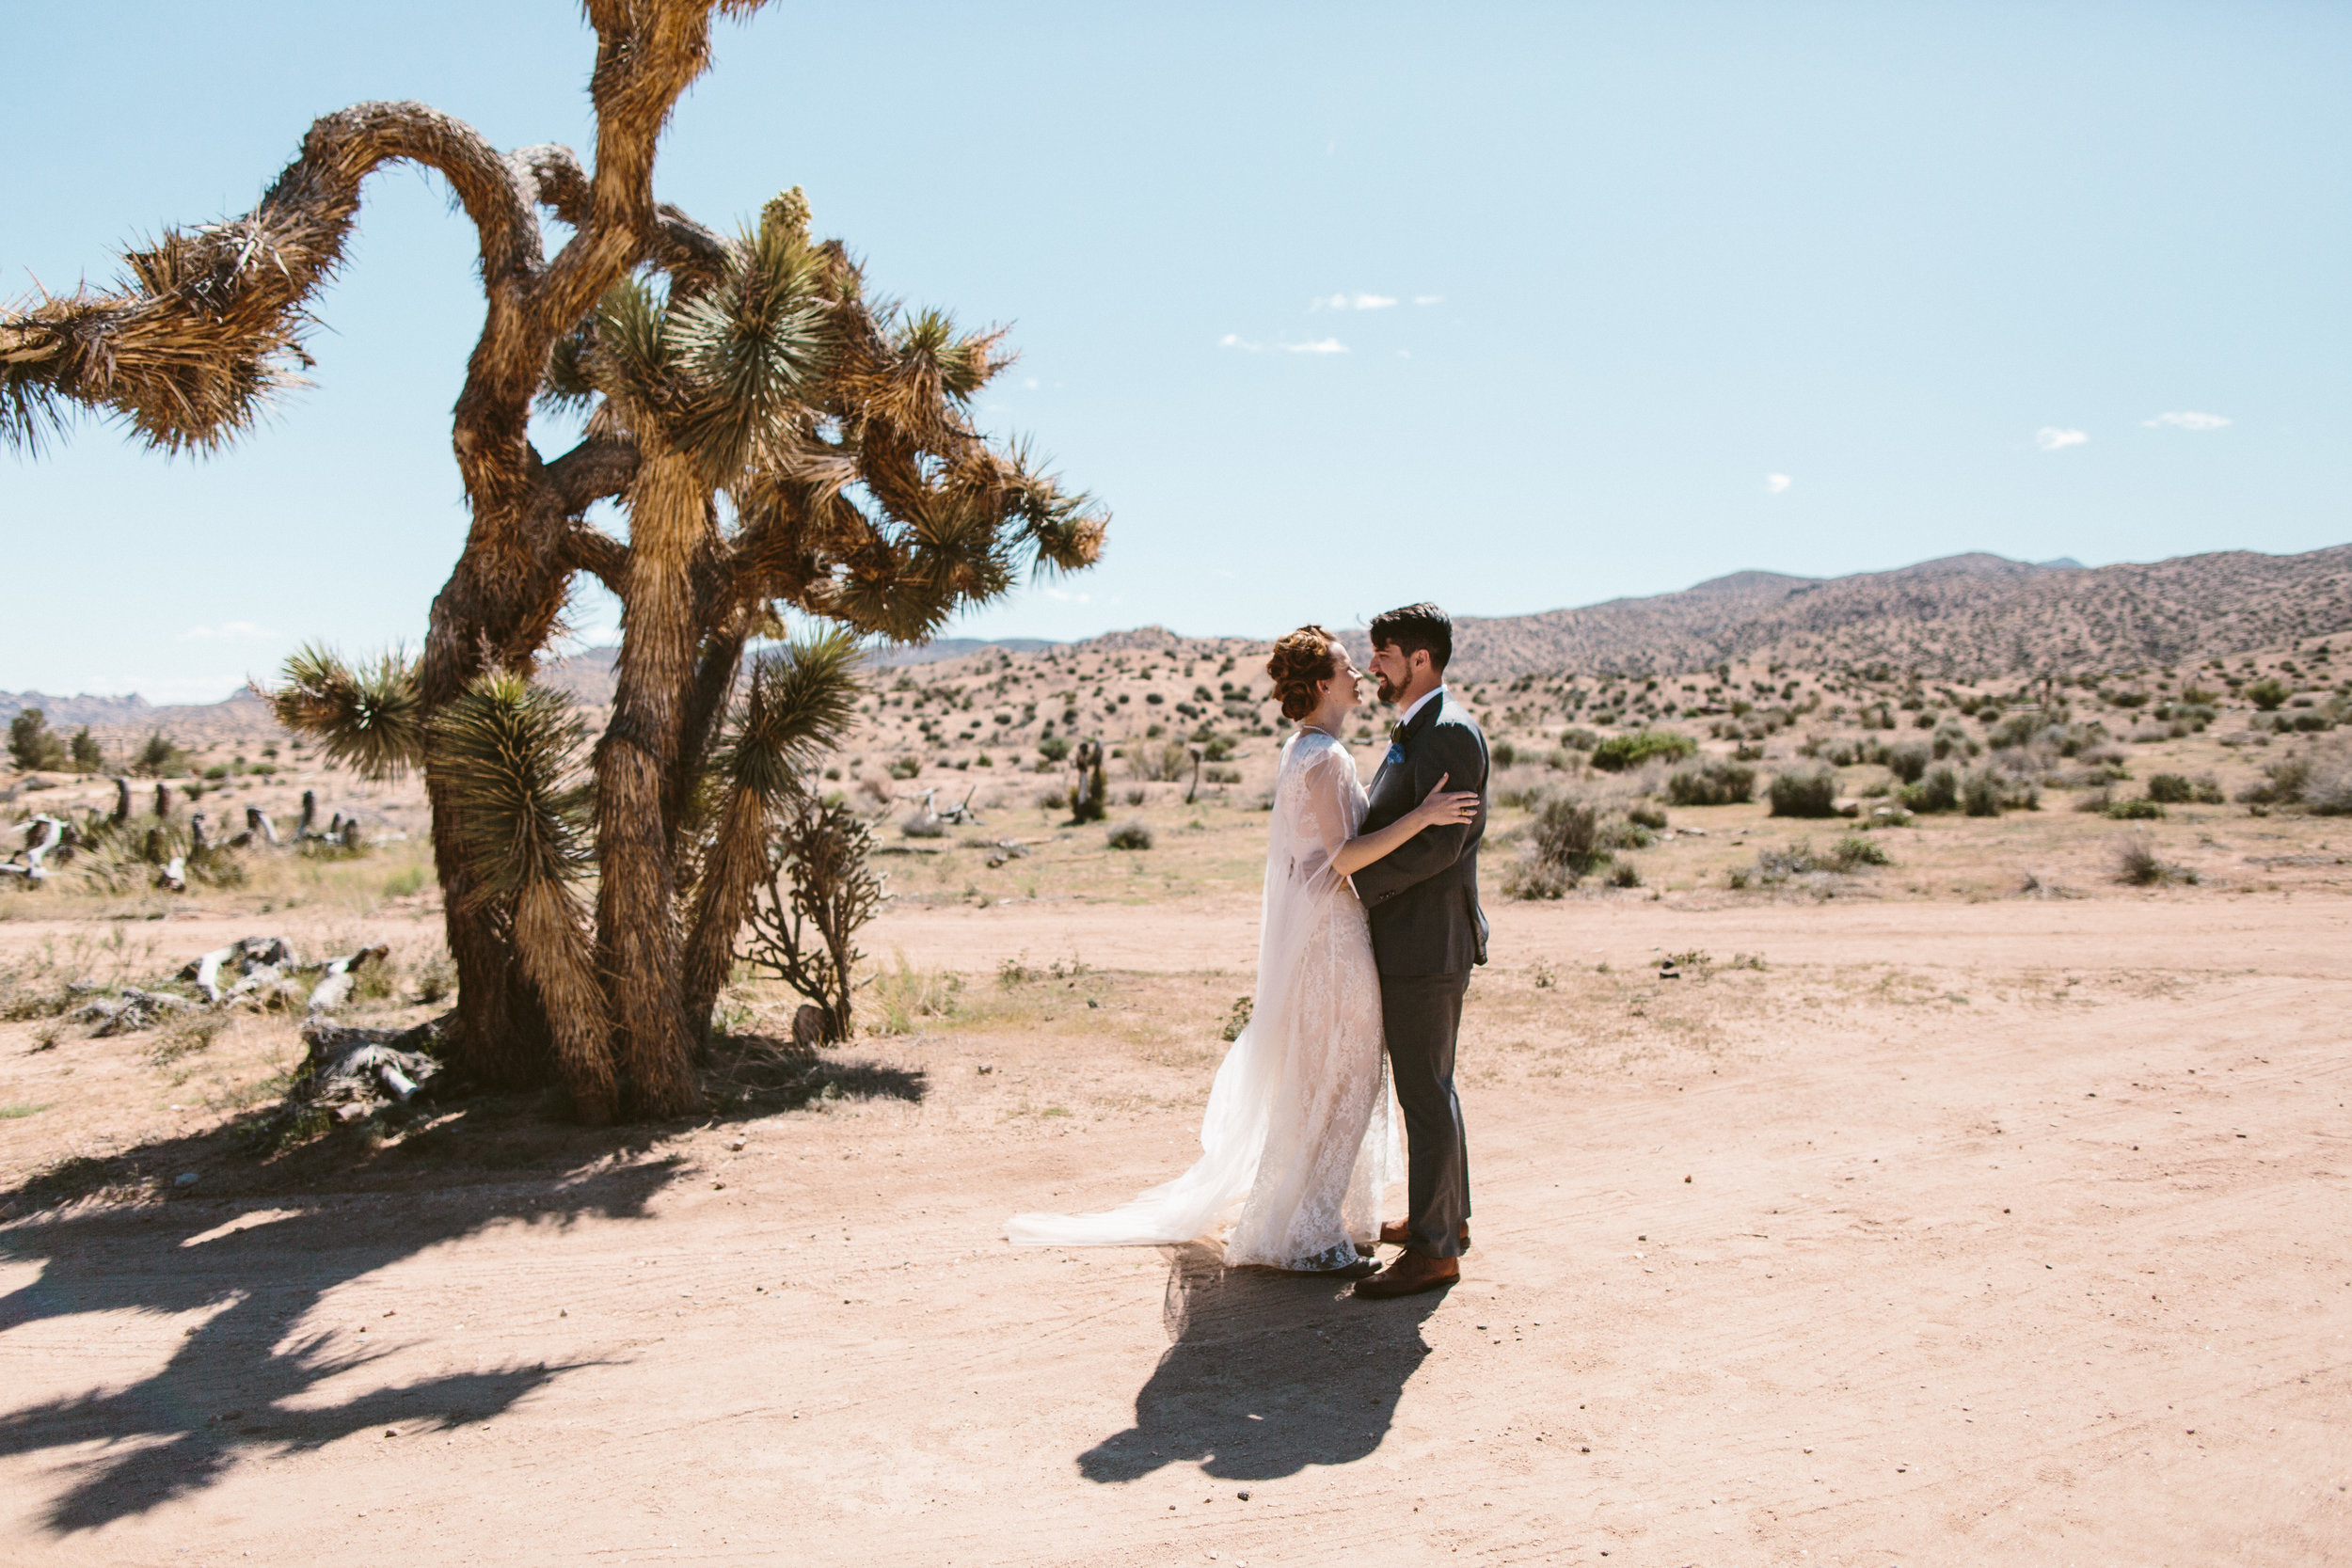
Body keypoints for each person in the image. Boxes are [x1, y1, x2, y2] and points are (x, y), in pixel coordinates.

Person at [1006, 624, 1479, 1272]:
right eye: (1347, 666)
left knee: (1334, 1076)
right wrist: (1422, 816)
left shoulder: (1306, 749)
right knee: (1341, 1077)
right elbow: (1342, 857)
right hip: (1333, 942)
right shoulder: (1326, 757)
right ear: (1322, 684)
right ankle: (1311, 1233)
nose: (1360, 673)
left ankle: (1320, 1217)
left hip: (1328, 933)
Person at [1348, 602, 1488, 1300]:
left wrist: (1356, 877)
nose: (1373, 662)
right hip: (1420, 937)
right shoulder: (1423, 727)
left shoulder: (1449, 733)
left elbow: (1442, 842)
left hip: (1426, 939)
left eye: (1384, 651)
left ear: (1421, 660)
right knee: (1433, 1083)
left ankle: (1435, 1252)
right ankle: (1445, 1219)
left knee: (1424, 1091)